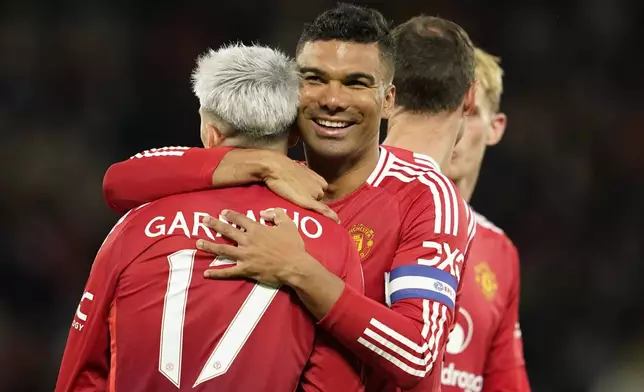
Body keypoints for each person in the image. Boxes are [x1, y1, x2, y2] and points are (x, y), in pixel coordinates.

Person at [101, 4, 476, 391]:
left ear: (388, 101)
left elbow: (416, 354)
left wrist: (299, 270)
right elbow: (120, 182)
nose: (333, 99)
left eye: (356, 83)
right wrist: (258, 163)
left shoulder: (424, 195)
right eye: (314, 78)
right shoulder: (265, 181)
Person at [54, 43, 364, 392]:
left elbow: (84, 372)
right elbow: (334, 382)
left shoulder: (136, 226)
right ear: (294, 134)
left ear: (210, 133)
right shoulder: (328, 235)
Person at [440, 48, 531, 392]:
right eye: (445, 110)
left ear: (496, 128)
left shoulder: (500, 252)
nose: (457, 129)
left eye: (471, 113)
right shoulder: (376, 216)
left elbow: (507, 381)